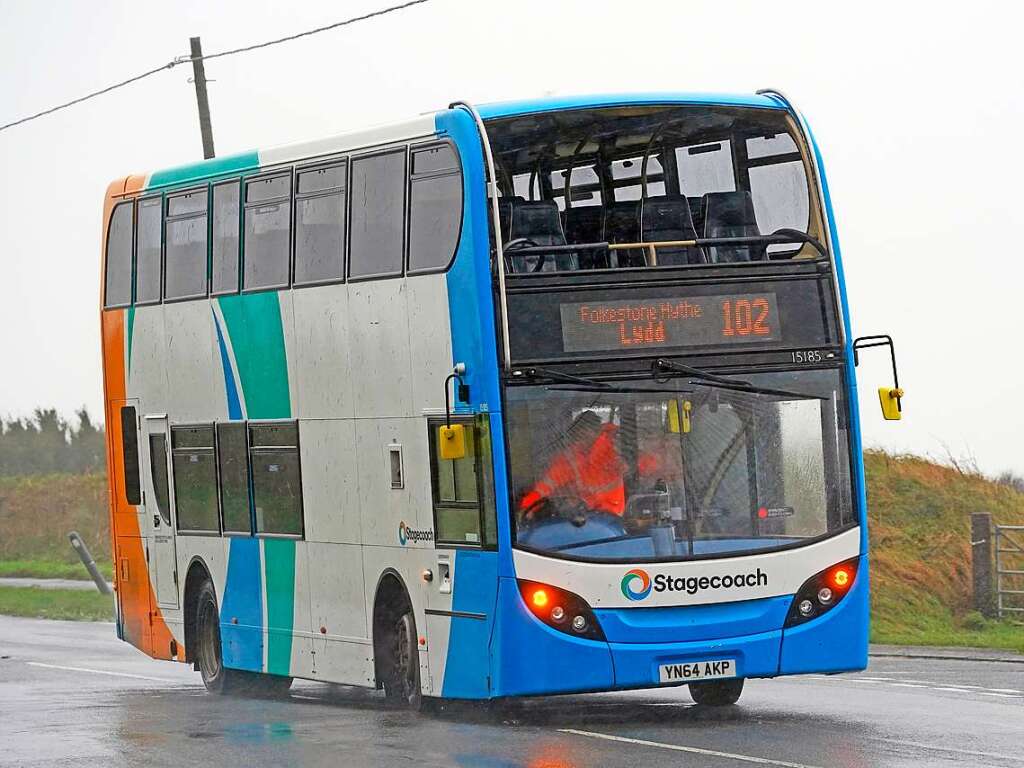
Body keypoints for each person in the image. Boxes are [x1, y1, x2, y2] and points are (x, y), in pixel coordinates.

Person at [519, 410, 626, 517]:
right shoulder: (571, 456)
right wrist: (526, 505)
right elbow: (547, 485)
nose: (581, 437)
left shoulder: (614, 447)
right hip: (584, 517)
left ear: (597, 430)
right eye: (578, 434)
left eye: (585, 432)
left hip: (612, 518)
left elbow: (629, 467)